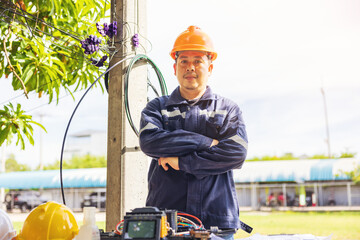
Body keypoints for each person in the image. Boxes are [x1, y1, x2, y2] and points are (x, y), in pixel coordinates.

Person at [139, 26, 248, 234]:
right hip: (167, 222)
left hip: (217, 221)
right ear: (174, 68)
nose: (190, 67)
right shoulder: (157, 108)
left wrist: (182, 162)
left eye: (198, 61)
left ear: (210, 68)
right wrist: (205, 142)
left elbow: (236, 153)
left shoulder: (228, 110)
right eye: (184, 61)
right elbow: (150, 142)